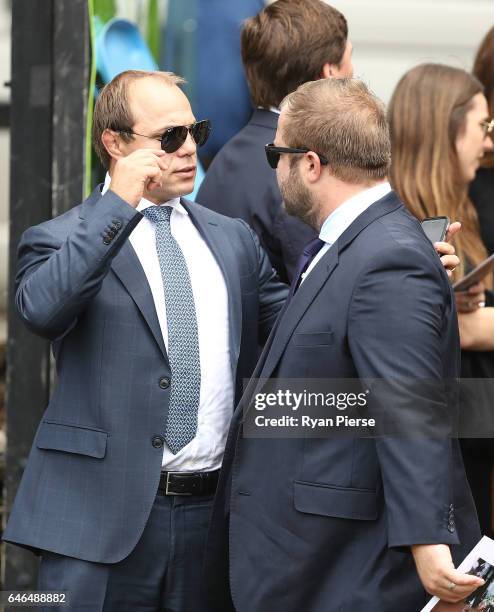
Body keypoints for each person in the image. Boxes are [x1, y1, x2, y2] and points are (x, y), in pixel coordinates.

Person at [3, 70, 287, 611]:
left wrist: (399, 278)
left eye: (195, 132)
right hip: (97, 524)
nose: (188, 151)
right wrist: (118, 206)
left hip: (211, 517)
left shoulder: (231, 239)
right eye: (169, 138)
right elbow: (41, 310)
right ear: (115, 143)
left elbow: (301, 325)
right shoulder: (61, 237)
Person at [205, 77, 482, 612]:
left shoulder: (386, 257)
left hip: (344, 568)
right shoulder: (364, 244)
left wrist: (429, 542)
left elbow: (408, 403)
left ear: (310, 163)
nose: (275, 169)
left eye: (275, 154)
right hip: (312, 556)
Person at [388, 63, 494, 539]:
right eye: (482, 127)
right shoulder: (405, 225)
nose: (488, 142)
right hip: (444, 450)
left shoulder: (462, 207)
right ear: (447, 129)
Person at [197, 0, 351, 283]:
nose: (353, 75)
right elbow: (322, 297)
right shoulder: (301, 170)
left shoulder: (227, 158)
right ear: (329, 75)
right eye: (348, 62)